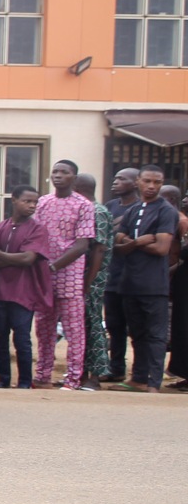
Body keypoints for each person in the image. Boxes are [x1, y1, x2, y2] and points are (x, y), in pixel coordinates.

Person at [112, 165, 177, 392]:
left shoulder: (166, 211)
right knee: (136, 333)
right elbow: (118, 242)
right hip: (130, 283)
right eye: (147, 181)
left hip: (154, 285)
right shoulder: (133, 209)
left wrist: (130, 242)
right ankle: (138, 377)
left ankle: (153, 381)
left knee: (156, 335)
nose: (151, 186)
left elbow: (161, 248)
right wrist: (139, 241)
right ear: (138, 181)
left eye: (157, 182)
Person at [32, 159, 95, 391]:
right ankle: (42, 375)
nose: (58, 176)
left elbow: (82, 245)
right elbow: (36, 234)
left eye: (64, 172)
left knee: (73, 330)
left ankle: (72, 379)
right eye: (55, 172)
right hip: (43, 276)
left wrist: (55, 266)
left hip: (69, 274)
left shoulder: (83, 205)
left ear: (74, 178)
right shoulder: (43, 202)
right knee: (44, 327)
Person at [0, 185, 53, 389]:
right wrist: (7, 258)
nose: (32, 205)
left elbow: (27, 258)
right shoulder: (0, 228)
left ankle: (24, 381)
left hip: (23, 292)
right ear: (13, 200)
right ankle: (3, 379)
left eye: (35, 202)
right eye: (27, 201)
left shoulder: (37, 229)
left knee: (22, 339)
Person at [98, 167, 140, 382]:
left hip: (132, 276)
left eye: (121, 179)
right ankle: (116, 368)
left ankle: (141, 373)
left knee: (135, 326)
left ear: (135, 183)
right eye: (115, 178)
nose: (115, 182)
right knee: (114, 326)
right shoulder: (111, 206)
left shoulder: (140, 208)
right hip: (112, 275)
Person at [74, 173, 113, 390]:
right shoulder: (85, 210)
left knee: (93, 325)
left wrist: (88, 282)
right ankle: (79, 374)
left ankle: (95, 376)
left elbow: (99, 249)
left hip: (93, 279)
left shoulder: (97, 211)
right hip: (81, 277)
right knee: (80, 325)